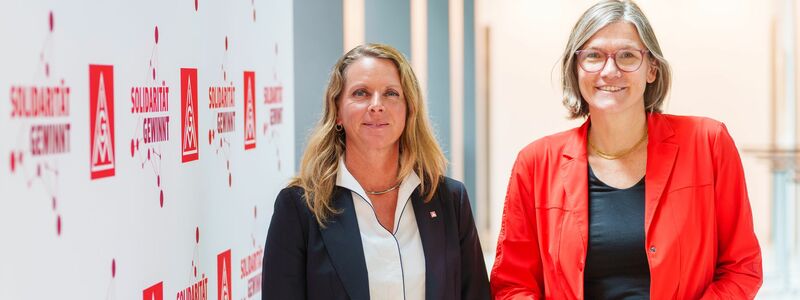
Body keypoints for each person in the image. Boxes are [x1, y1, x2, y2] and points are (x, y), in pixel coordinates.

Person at [489, 1, 763, 299]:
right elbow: (512, 284)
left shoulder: (708, 143)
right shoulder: (535, 164)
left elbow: (741, 267)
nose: (610, 70)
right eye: (593, 56)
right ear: (575, 69)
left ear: (652, 70)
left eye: (627, 56)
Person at [262, 43, 490, 300]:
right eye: (361, 93)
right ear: (337, 111)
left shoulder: (450, 199)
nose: (376, 105)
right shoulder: (299, 208)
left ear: (409, 110)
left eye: (391, 93)